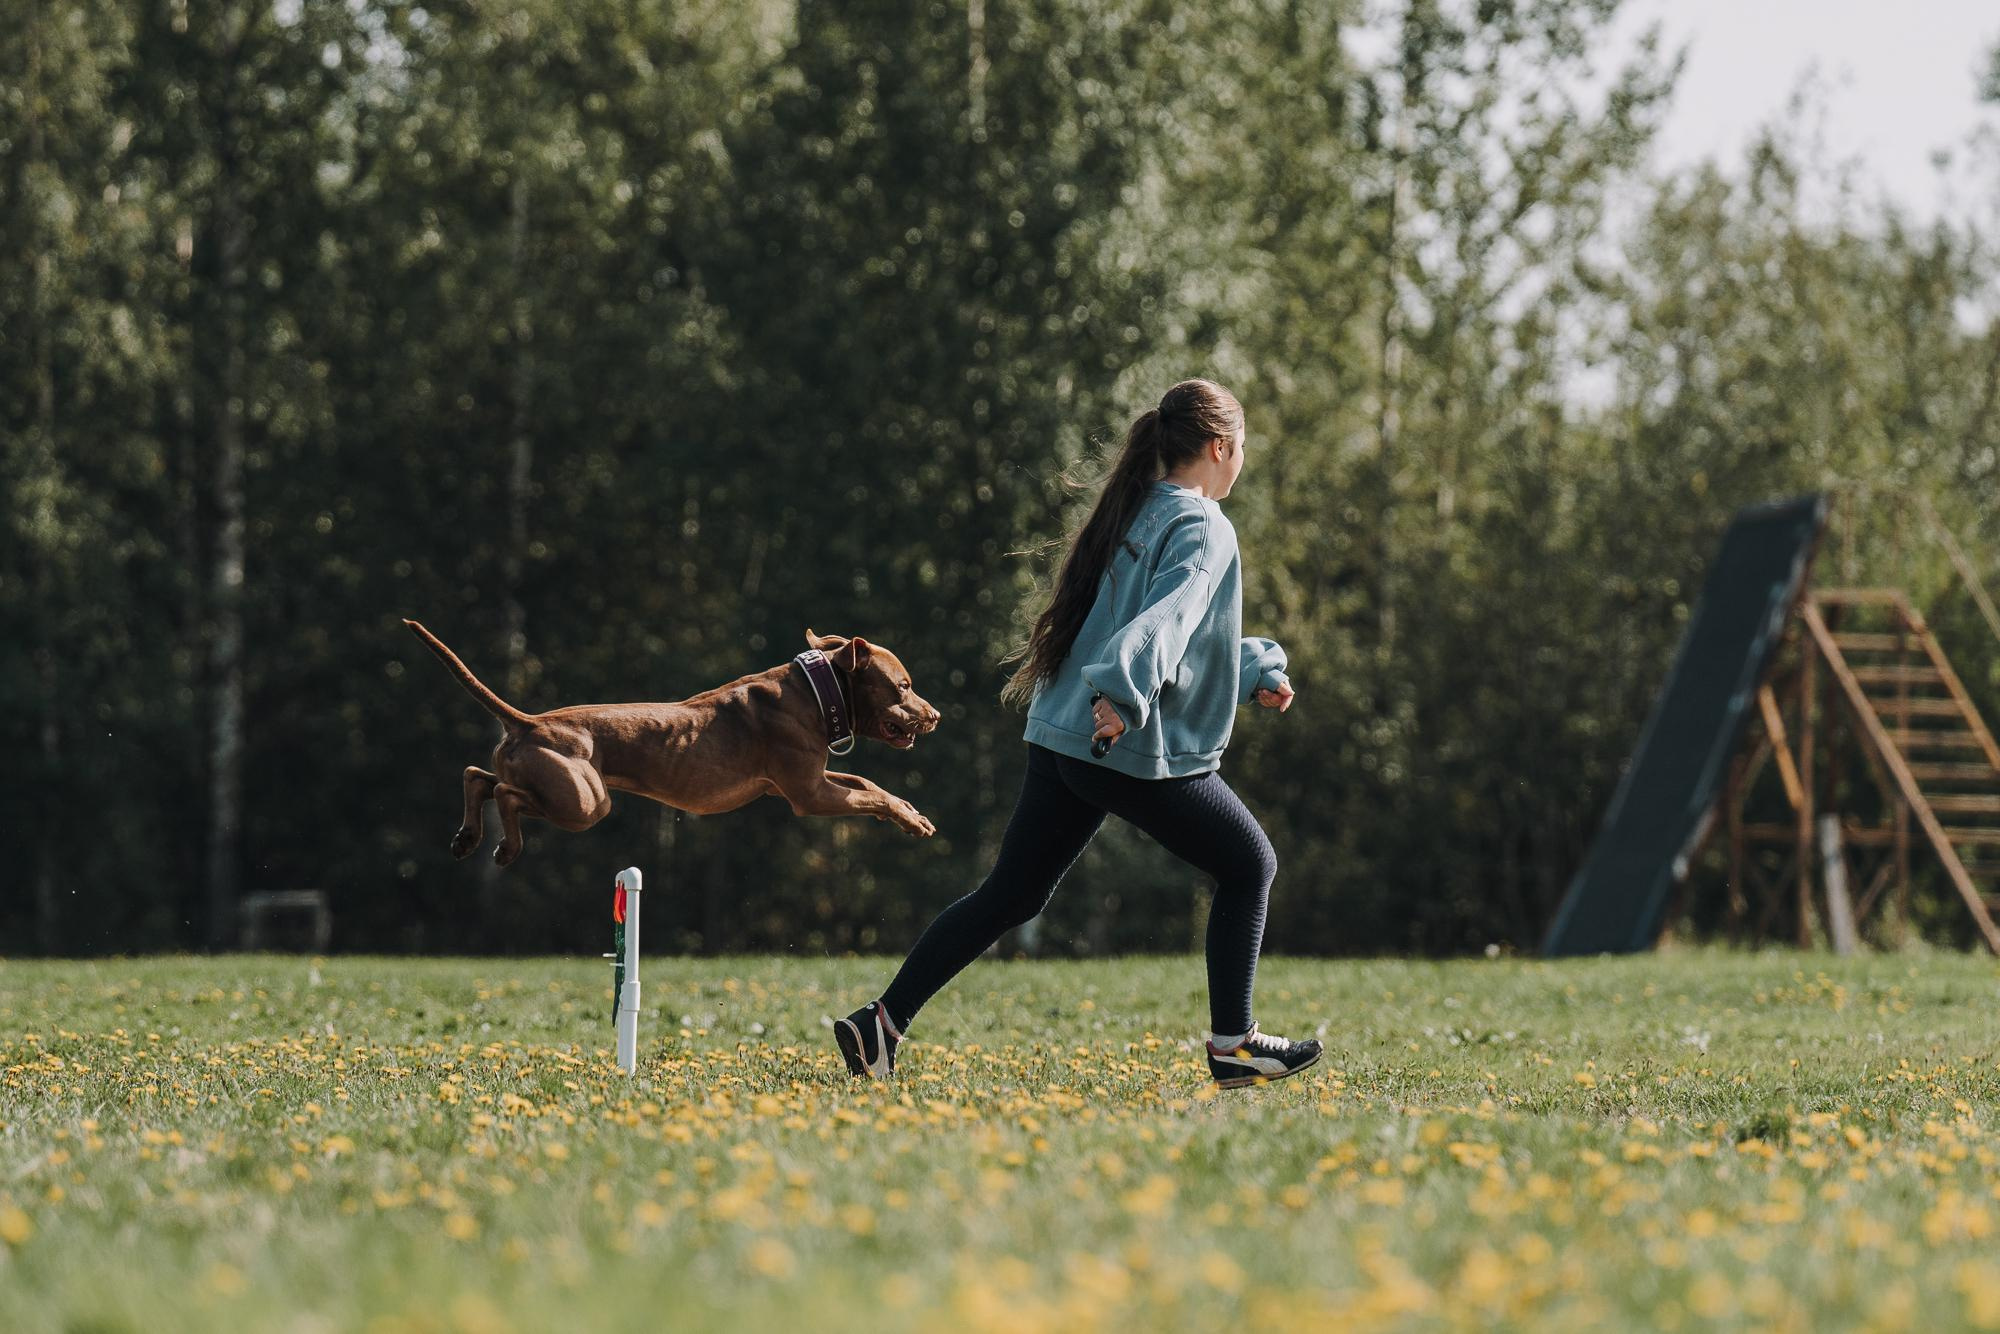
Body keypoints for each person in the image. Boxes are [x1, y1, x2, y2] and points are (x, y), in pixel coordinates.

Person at [835, 378, 1320, 1089]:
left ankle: (880, 1024)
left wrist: (1249, 670)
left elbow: (1176, 632)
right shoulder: (1205, 524)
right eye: (1242, 448)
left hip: (1063, 733)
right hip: (1114, 734)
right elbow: (1171, 618)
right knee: (1250, 864)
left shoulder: (1138, 509)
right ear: (1222, 447)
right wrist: (1124, 693)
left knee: (1010, 894)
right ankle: (1233, 1045)